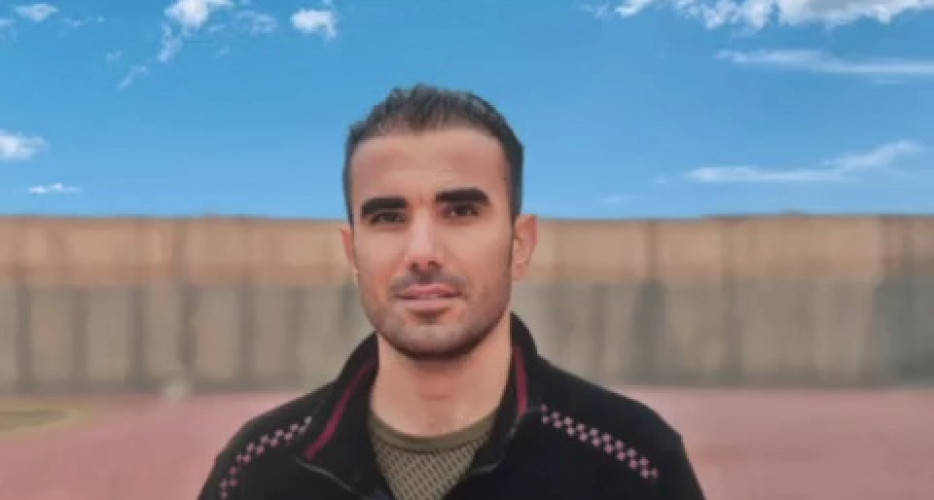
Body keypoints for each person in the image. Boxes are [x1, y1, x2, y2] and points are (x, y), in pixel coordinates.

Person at [197, 84, 706, 499]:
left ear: (520, 245)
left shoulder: (634, 465)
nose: (422, 252)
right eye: (388, 217)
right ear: (353, 253)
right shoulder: (255, 473)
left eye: (461, 211)